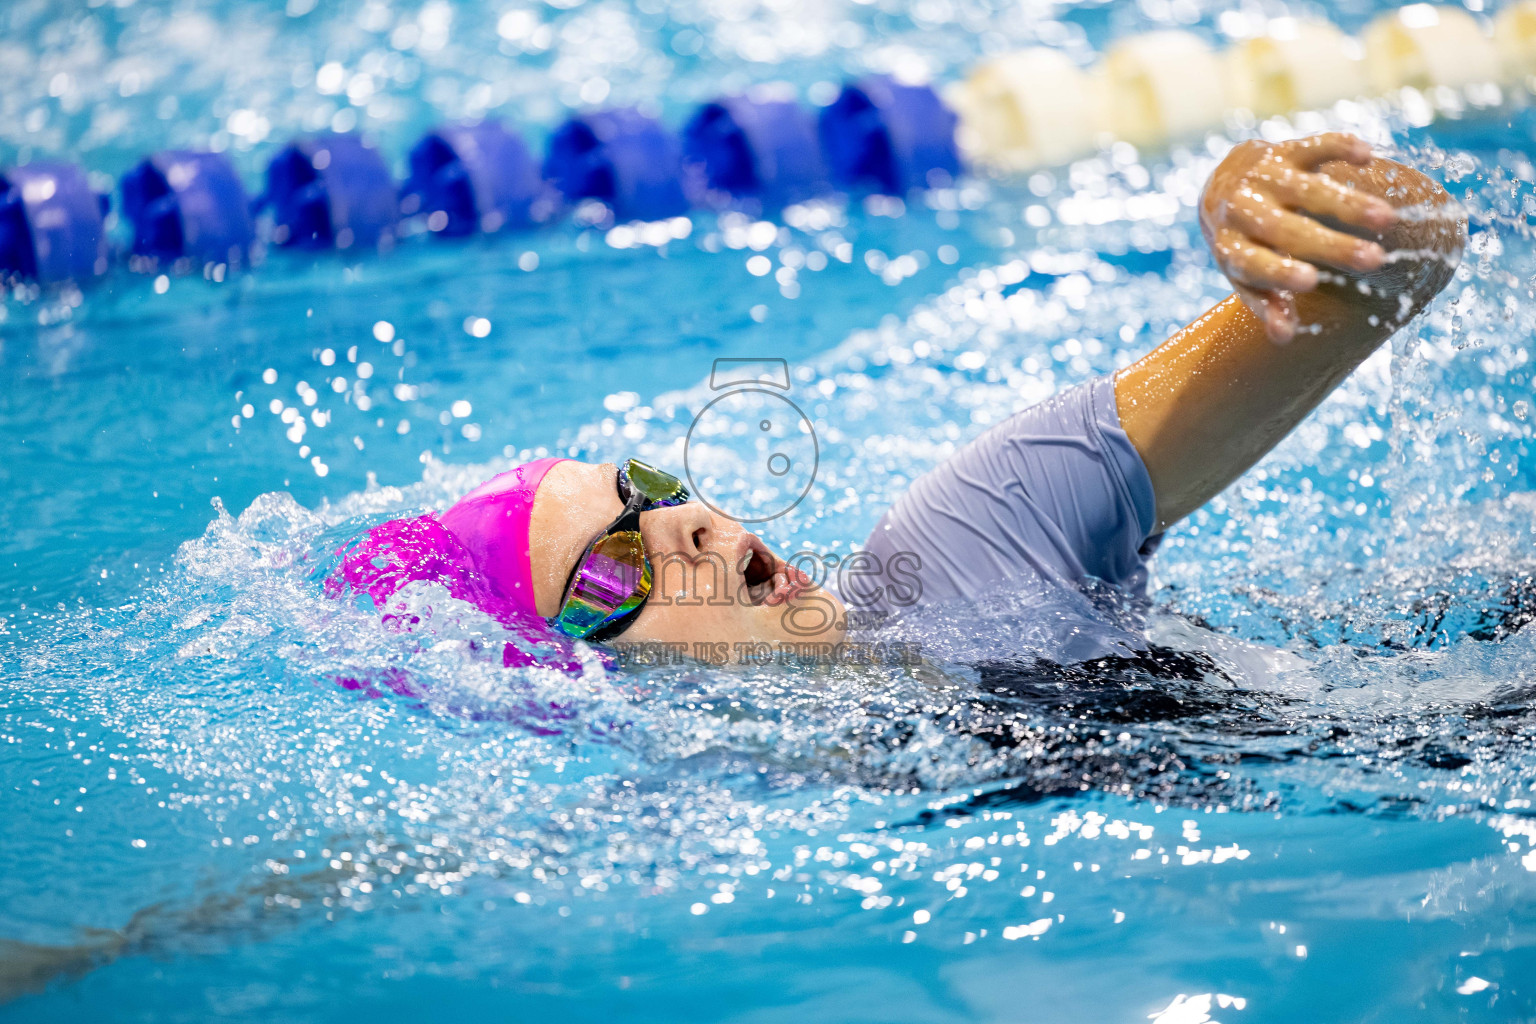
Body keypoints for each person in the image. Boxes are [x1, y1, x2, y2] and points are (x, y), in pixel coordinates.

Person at [333, 132, 1466, 666]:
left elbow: (1390, 270)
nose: (681, 520)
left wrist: (1275, 207)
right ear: (576, 684)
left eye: (648, 487)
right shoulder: (688, 845)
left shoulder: (970, 540)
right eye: (613, 568)